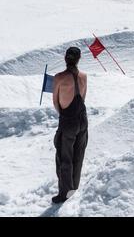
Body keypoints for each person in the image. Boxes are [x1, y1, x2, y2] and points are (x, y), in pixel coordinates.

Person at [51, 47, 88, 204]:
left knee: (64, 157)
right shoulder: (84, 76)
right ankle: (74, 189)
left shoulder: (59, 77)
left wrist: (64, 115)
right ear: (79, 59)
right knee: (78, 155)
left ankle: (65, 193)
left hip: (68, 120)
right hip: (83, 119)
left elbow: (56, 101)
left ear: (65, 58)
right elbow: (83, 97)